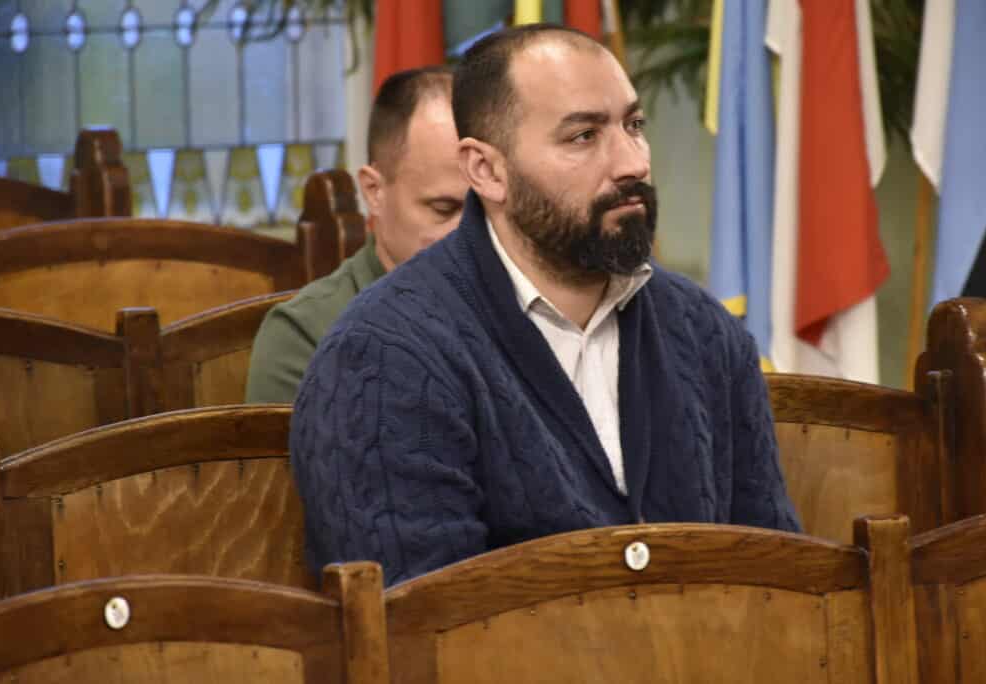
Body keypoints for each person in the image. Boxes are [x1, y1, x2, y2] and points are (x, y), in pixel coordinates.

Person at [291, 24, 800, 585]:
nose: (631, 163)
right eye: (583, 136)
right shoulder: (384, 357)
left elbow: (779, 580)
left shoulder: (706, 332)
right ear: (486, 170)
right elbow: (423, 621)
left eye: (634, 126)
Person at [245, 66, 467, 403]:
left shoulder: (522, 304)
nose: (470, 232)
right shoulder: (306, 334)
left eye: (486, 210)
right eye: (443, 209)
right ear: (374, 191)